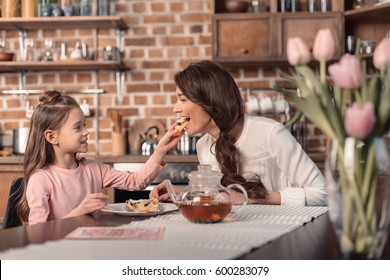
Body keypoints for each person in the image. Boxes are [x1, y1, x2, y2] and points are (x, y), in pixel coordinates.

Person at [150, 60, 327, 206]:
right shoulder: (203, 145)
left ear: (209, 101)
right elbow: (222, 196)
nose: (175, 108)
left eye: (182, 99)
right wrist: (182, 192)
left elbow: (322, 194)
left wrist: (255, 198)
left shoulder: (271, 134)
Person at [18, 90, 182, 225]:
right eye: (77, 127)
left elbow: (137, 181)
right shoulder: (41, 180)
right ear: (52, 137)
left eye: (84, 125)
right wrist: (78, 213)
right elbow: (37, 234)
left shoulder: (94, 168)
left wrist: (160, 149)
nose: (86, 132)